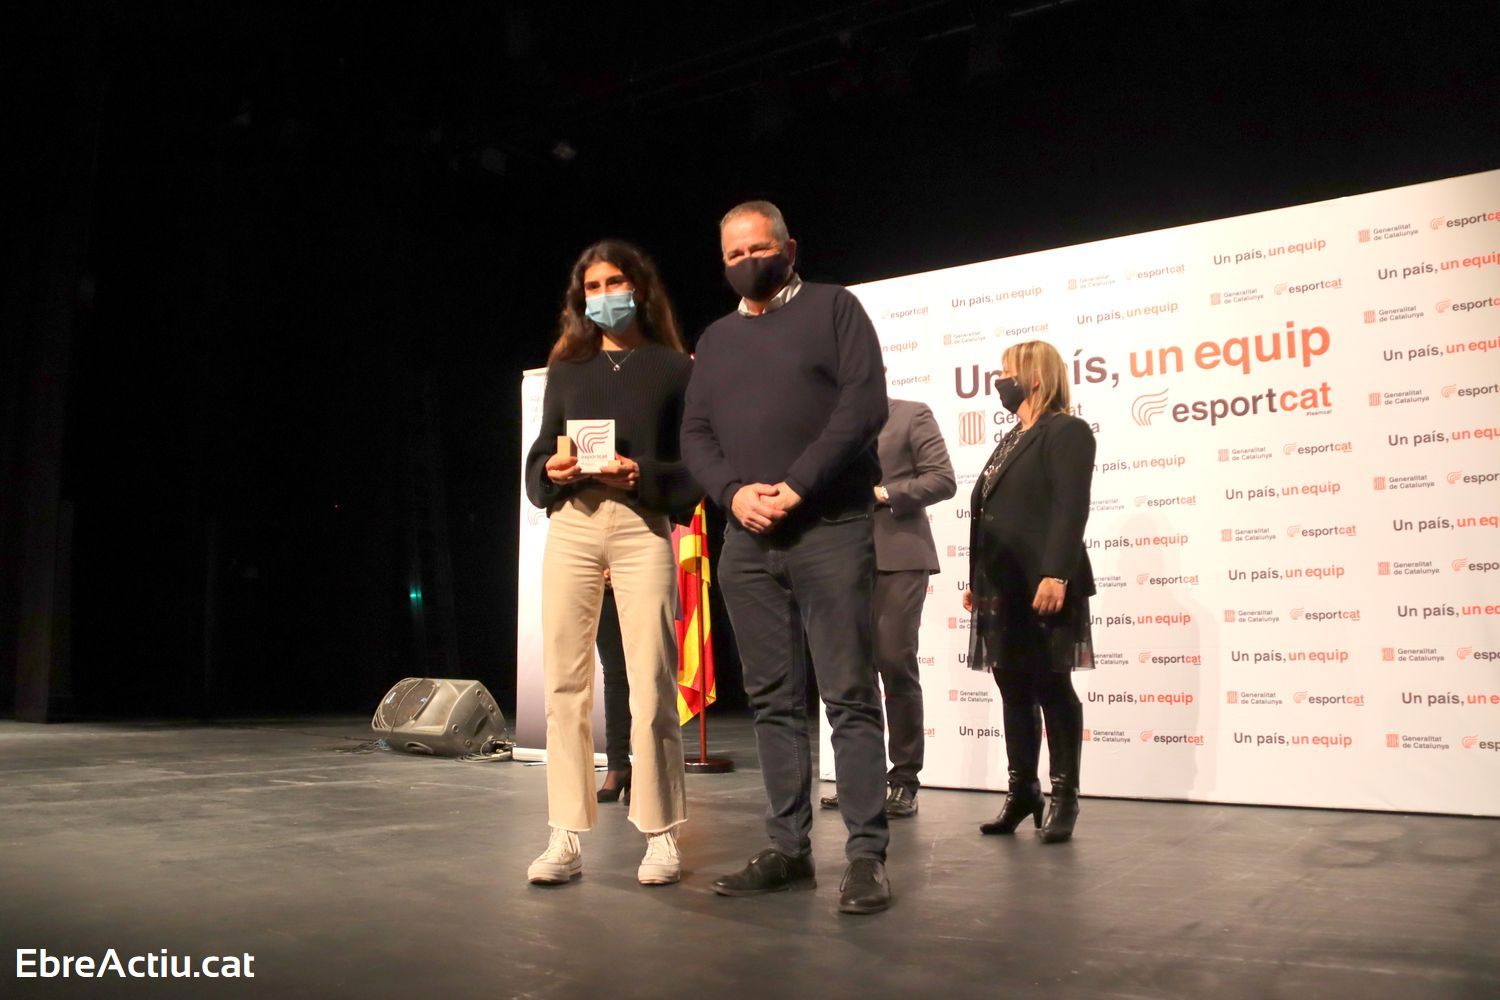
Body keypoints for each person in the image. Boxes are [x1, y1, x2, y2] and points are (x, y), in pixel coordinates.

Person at [681, 200, 893, 914]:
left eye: (759, 249)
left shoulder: (835, 308)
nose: (748, 262)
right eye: (734, 255)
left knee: (848, 694)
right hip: (746, 540)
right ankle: (788, 849)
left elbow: (863, 406)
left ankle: (865, 855)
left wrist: (797, 485)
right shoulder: (715, 339)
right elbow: (695, 434)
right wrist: (733, 494)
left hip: (829, 526)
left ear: (789, 247)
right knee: (772, 701)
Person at [522, 240, 699, 886]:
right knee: (565, 683)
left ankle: (661, 832)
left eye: (614, 282)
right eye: (592, 287)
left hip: (640, 523)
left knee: (652, 678)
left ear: (639, 288)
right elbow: (538, 459)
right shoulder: (567, 368)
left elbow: (694, 469)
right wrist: (550, 468)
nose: (603, 296)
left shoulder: (675, 369)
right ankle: (564, 834)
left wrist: (640, 474)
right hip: (573, 523)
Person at [962, 340, 1096, 844]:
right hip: (1004, 585)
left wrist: (1056, 573)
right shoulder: (1012, 438)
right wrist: (978, 580)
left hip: (1044, 583)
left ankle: (1065, 796)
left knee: (1051, 686)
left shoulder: (1066, 431)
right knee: (1012, 687)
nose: (1000, 381)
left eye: (1006, 372)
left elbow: (1070, 507)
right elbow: (990, 513)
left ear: (1034, 377)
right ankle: (1024, 791)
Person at [821, 392, 954, 817]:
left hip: (898, 555)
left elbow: (942, 479)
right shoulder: (828, 421)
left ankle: (904, 778)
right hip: (841, 558)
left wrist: (882, 493)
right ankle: (862, 779)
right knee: (851, 673)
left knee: (895, 661)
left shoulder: (911, 414)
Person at [595, 571, 631, 803]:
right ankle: (618, 767)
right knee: (615, 674)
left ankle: (649, 773)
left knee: (648, 674)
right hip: (600, 580)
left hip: (639, 569)